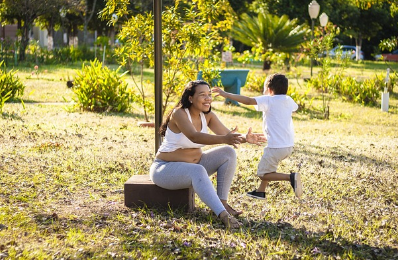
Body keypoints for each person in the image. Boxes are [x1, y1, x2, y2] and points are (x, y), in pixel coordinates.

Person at [150, 80, 265, 229]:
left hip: (195, 164)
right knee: (197, 170)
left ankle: (222, 203)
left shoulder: (208, 116)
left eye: (209, 95)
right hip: (165, 169)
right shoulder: (179, 114)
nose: (208, 98)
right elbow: (194, 136)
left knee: (228, 153)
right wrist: (225, 139)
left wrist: (245, 138)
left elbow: (227, 135)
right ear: (190, 98)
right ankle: (223, 215)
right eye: (202, 95)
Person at [212, 73, 303, 200]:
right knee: (269, 167)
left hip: (275, 147)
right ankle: (260, 191)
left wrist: (226, 94)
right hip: (288, 146)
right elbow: (295, 109)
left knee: (263, 173)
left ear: (270, 90)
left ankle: (290, 177)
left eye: (264, 89)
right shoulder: (288, 100)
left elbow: (248, 100)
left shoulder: (268, 99)